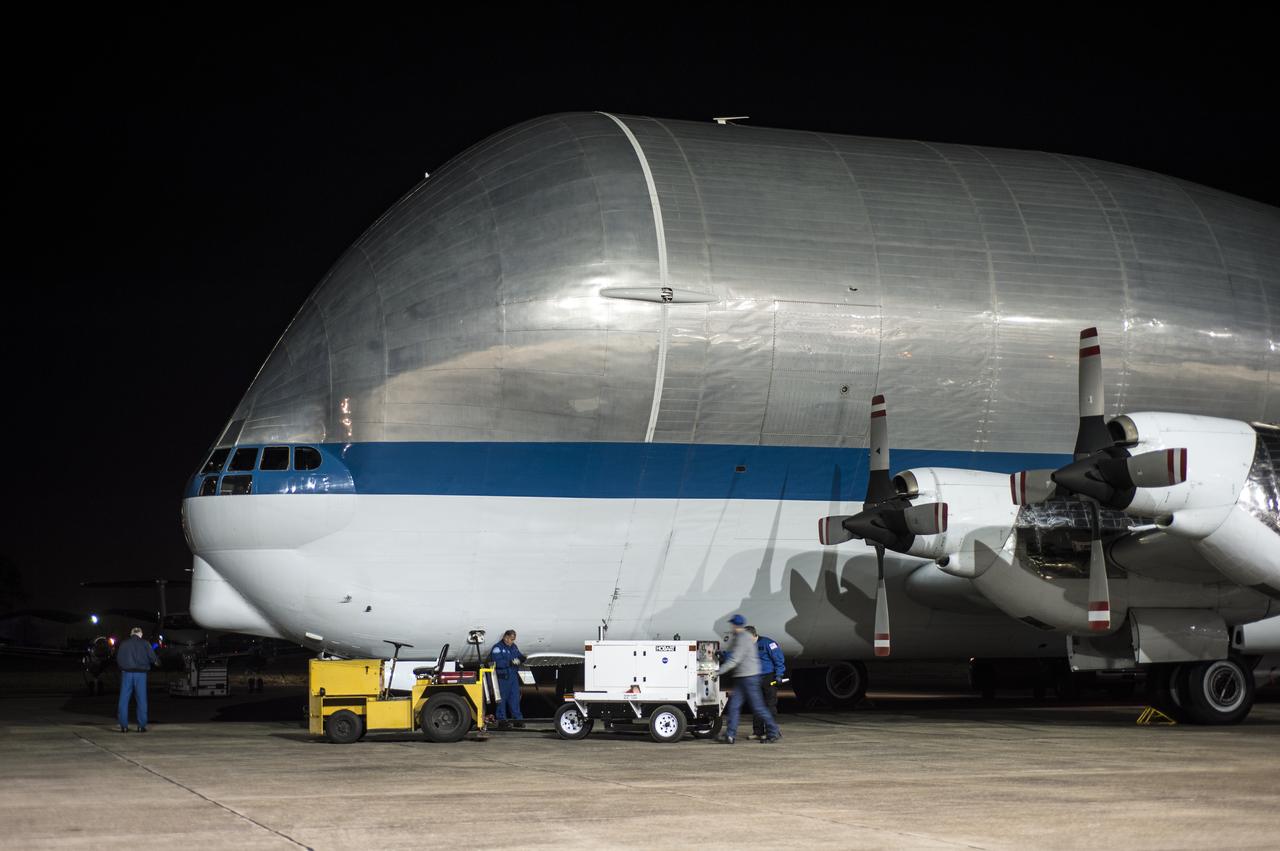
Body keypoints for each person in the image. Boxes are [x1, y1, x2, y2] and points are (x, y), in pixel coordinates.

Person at [716, 614, 780, 744]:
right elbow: (732, 654)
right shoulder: (738, 637)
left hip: (750, 677)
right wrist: (723, 655)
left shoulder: (744, 638)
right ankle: (730, 735)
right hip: (741, 677)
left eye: (732, 624)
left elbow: (735, 658)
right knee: (734, 707)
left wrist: (718, 671)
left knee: (758, 708)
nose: (731, 627)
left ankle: (773, 732)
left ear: (735, 625)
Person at [116, 627, 159, 732]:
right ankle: (141, 726)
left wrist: (123, 667)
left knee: (123, 700)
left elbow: (118, 659)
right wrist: (157, 662)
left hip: (126, 674)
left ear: (131, 634)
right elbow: (153, 658)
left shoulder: (124, 644)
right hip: (141, 674)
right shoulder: (145, 643)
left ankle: (124, 726)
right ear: (141, 634)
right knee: (141, 700)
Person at [747, 626, 787, 741]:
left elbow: (778, 659)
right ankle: (758, 732)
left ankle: (772, 732)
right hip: (755, 678)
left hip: (768, 678)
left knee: (770, 705)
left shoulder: (768, 643)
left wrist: (779, 675)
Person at [489, 629, 524, 728]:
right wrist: (510, 662)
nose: (512, 641)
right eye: (511, 639)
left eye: (513, 639)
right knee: (502, 700)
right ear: (505, 637)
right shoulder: (497, 648)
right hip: (503, 678)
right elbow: (497, 662)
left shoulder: (514, 647)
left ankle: (517, 719)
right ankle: (501, 720)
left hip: (513, 677)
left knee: (515, 699)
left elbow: (519, 655)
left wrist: (522, 658)